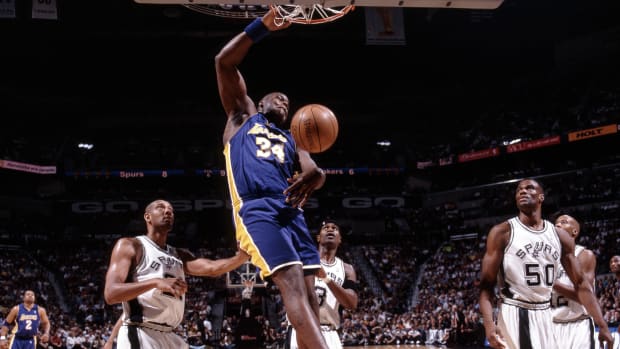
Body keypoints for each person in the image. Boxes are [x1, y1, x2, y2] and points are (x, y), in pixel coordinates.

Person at [215, 7, 329, 349]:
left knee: (310, 295)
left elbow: (313, 172)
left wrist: (317, 176)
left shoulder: (295, 137)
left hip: (292, 213)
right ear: (259, 103)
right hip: (257, 209)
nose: (284, 100)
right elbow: (223, 62)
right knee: (292, 283)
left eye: (288, 100)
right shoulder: (241, 119)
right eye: (277, 97)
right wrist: (260, 27)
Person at [478, 178, 613, 349]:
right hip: (516, 310)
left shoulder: (560, 237)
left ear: (541, 197)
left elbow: (581, 284)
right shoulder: (502, 232)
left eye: (529, 188)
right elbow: (486, 287)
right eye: (519, 189)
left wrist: (602, 325)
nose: (522, 191)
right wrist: (489, 325)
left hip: (546, 315)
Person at [103, 199, 249, 348]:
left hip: (169, 334)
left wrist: (241, 257)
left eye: (171, 211)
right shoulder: (131, 245)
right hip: (141, 332)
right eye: (161, 208)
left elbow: (212, 269)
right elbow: (111, 294)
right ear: (147, 217)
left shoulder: (178, 254)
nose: (168, 212)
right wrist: (156, 282)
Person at [287, 219, 359, 349]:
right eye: (326, 228)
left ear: (340, 239)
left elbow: (352, 303)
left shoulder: (347, 269)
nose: (330, 229)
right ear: (318, 237)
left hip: (329, 332)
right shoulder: (301, 260)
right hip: (301, 328)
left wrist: (327, 279)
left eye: (334, 228)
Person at [550, 214, 598, 348]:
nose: (557, 225)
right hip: (551, 326)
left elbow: (585, 296)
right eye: (556, 223)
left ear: (574, 232)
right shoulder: (545, 257)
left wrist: (553, 283)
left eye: (563, 222)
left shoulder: (584, 255)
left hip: (578, 325)